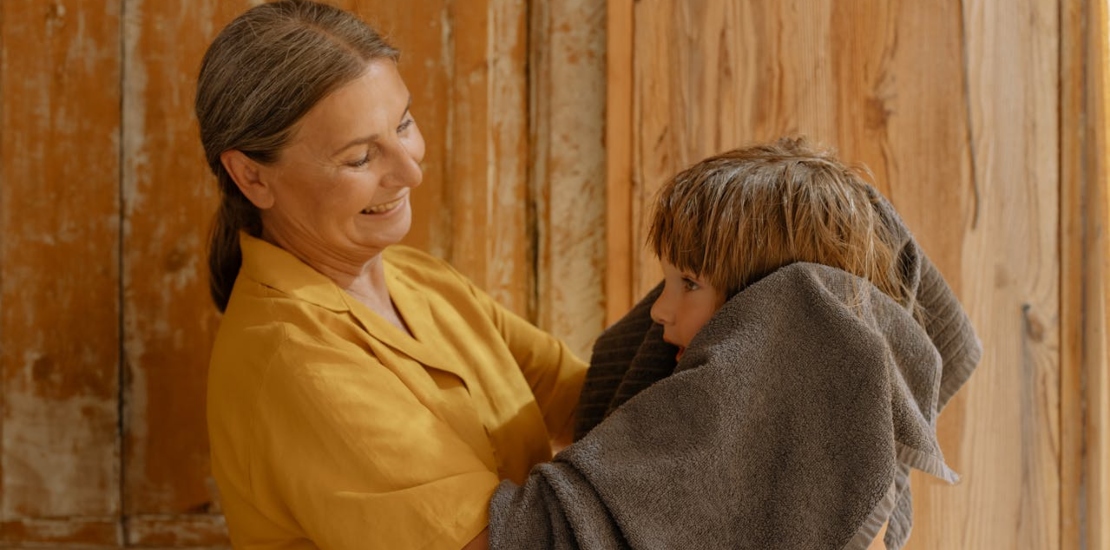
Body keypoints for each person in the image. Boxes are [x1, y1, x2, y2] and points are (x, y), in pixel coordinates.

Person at [197, 2, 585, 548]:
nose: (410, 170)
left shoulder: (416, 278)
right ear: (252, 177)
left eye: (403, 124)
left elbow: (584, 397)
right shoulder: (298, 360)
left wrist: (701, 293)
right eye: (360, 157)